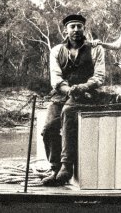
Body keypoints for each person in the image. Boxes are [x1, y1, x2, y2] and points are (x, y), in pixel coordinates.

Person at [41, 14, 109, 186]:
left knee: (69, 112)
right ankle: (54, 168)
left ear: (84, 29)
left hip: (87, 94)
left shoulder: (96, 49)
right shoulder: (57, 51)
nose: (76, 30)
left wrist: (83, 87)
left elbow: (99, 76)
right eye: (73, 27)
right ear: (66, 30)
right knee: (49, 127)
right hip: (62, 94)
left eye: (80, 26)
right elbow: (55, 78)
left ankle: (66, 166)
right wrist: (67, 89)